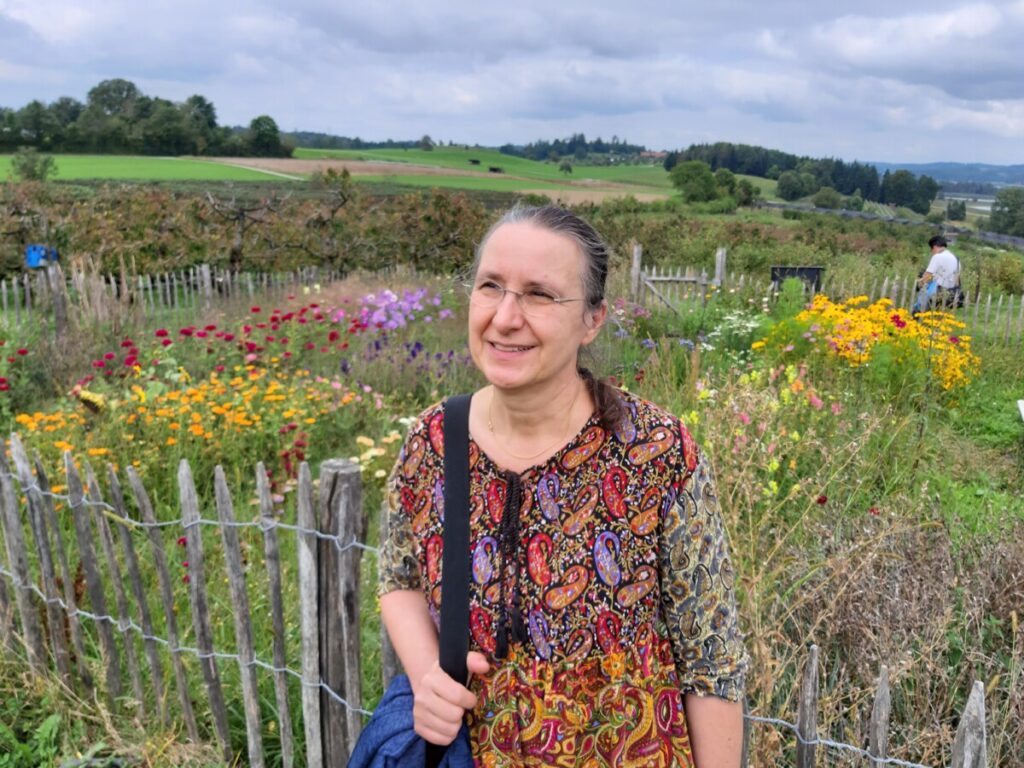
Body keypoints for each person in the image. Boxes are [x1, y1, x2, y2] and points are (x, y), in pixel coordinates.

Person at [378, 205, 748, 767]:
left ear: (593, 319)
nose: (505, 317)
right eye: (491, 286)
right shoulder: (431, 443)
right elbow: (398, 574)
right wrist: (427, 675)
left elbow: (711, 661)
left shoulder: (658, 454)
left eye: (540, 295)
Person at [914, 235, 962, 314]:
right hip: (949, 295)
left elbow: (927, 276)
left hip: (935, 292)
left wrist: (919, 284)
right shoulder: (956, 259)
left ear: (935, 246)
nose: (931, 252)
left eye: (931, 249)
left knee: (920, 313)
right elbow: (956, 280)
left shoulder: (938, 257)